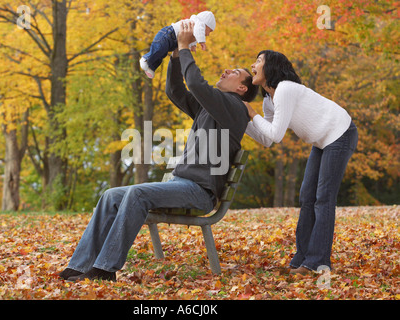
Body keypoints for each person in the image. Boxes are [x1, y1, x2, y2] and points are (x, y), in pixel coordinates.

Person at [59, 21, 258, 281]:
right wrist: (176, 53)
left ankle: (106, 269)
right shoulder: (212, 106)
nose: (226, 70)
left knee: (137, 194)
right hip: (182, 184)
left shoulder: (234, 108)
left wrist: (186, 47)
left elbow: (197, 85)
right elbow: (175, 91)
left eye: (235, 72)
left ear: (242, 88)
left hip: (199, 192)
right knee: (110, 196)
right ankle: (80, 266)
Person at [245, 50, 358, 274]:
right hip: (322, 141)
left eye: (258, 61)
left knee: (323, 198)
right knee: (307, 196)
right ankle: (302, 258)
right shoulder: (269, 100)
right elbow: (267, 139)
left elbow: (276, 134)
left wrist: (250, 112)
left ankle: (316, 261)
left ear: (272, 67)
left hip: (340, 133)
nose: (252, 65)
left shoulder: (286, 88)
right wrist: (243, 120)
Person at [140, 11, 216, 79]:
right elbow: (198, 31)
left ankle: (151, 68)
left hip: (173, 41)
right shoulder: (198, 23)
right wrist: (202, 42)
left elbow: (194, 35)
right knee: (159, 49)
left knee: (162, 54)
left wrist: (193, 45)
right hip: (168, 34)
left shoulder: (196, 27)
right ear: (205, 25)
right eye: (210, 31)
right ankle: (146, 58)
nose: (208, 34)